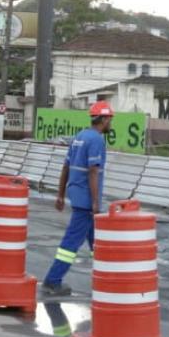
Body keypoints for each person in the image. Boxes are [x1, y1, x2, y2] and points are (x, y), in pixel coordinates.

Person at [41, 101, 113, 298]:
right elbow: (92, 171)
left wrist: (60, 195)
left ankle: (107, 280)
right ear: (104, 119)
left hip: (76, 194)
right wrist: (96, 203)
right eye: (110, 119)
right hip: (86, 201)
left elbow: (66, 168)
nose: (111, 123)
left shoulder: (79, 137)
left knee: (97, 243)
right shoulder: (96, 140)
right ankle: (52, 281)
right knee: (71, 242)